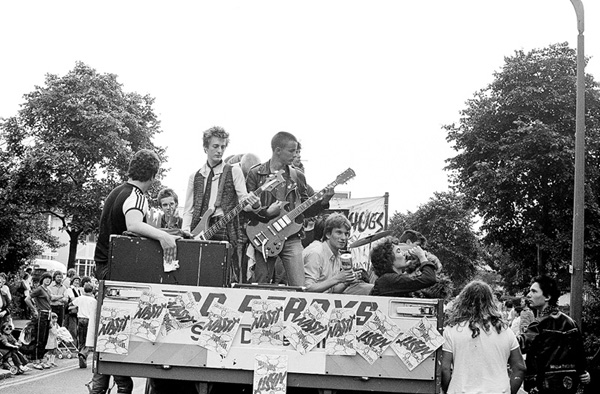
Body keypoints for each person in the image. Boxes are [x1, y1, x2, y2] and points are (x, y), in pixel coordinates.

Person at [92, 149, 179, 394]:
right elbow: (133, 224)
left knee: (109, 329)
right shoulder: (137, 195)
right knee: (122, 328)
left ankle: (101, 385)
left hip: (103, 266)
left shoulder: (116, 192)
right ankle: (121, 383)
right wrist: (163, 236)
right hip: (117, 269)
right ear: (153, 175)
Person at [245, 131, 334, 286]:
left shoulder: (297, 176)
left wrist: (323, 202)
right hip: (264, 237)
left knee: (299, 287)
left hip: (292, 236)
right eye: (291, 151)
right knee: (261, 285)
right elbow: (245, 211)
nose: (295, 155)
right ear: (278, 150)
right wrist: (266, 213)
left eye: (296, 151)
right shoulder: (256, 173)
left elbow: (306, 210)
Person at [181, 127, 259, 281]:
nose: (220, 151)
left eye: (223, 147)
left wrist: (254, 204)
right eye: (215, 146)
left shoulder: (233, 171)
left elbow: (244, 201)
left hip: (224, 226)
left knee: (223, 274)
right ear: (205, 148)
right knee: (198, 273)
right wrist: (185, 231)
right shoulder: (195, 176)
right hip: (198, 230)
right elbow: (188, 209)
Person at [441, 280, 526, 394]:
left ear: (463, 301)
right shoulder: (505, 331)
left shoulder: (451, 330)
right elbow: (519, 368)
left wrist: (448, 389)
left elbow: (444, 369)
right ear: (491, 301)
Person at [519, 275, 591, 394]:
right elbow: (580, 356)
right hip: (569, 385)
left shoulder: (538, 324)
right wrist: (584, 373)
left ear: (547, 297)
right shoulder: (571, 323)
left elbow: (520, 345)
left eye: (533, 291)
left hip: (543, 386)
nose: (528, 295)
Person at [303, 213, 372, 294]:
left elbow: (332, 290)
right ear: (328, 234)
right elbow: (307, 288)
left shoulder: (338, 255)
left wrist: (347, 281)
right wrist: (338, 278)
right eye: (339, 233)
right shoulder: (316, 253)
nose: (343, 238)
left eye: (346, 234)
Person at [369, 237, 438, 297]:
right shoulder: (387, 280)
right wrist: (422, 256)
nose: (404, 253)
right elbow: (429, 278)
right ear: (389, 259)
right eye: (399, 251)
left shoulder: (391, 279)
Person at [25, 271, 53, 370]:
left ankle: (41, 359)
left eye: (49, 279)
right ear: (42, 279)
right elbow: (27, 299)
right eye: (46, 278)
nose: (48, 280)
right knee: (39, 338)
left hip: (48, 314)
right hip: (41, 314)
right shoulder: (39, 289)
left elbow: (49, 302)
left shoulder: (48, 290)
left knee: (44, 338)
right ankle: (36, 360)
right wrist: (34, 310)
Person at [73, 282, 96, 368]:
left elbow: (72, 304)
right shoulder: (94, 301)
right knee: (88, 340)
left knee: (81, 338)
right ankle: (83, 354)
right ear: (92, 290)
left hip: (80, 319)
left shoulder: (80, 298)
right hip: (89, 320)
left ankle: (81, 356)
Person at [65, 276, 82, 346]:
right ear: (72, 281)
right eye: (75, 280)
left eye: (78, 281)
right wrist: (79, 299)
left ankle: (74, 344)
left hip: (77, 311)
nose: (77, 282)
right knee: (72, 329)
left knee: (76, 329)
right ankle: (72, 345)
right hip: (71, 312)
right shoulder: (70, 289)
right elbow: (73, 299)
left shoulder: (78, 290)